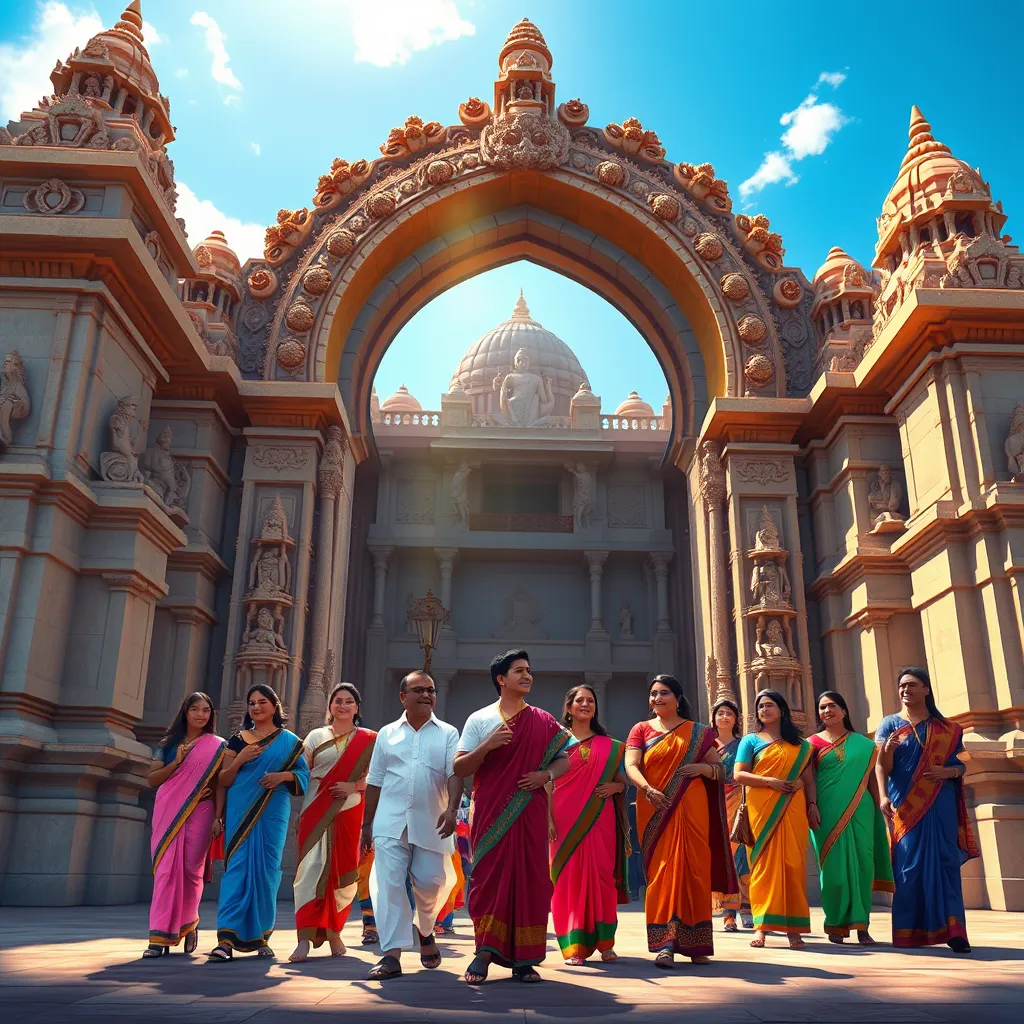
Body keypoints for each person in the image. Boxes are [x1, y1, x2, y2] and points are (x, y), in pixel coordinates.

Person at [454, 649, 571, 984]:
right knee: (489, 880)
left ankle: (525, 958)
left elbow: (565, 760)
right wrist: (487, 745)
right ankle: (484, 951)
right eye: (519, 670)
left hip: (530, 811)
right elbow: (460, 767)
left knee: (531, 879)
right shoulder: (480, 720)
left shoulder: (544, 720)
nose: (527, 676)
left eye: (529, 670)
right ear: (501, 679)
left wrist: (544, 776)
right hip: (491, 813)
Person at [624, 675, 736, 968]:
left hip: (692, 804)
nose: (656, 699)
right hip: (654, 806)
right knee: (662, 873)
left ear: (677, 697)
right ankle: (665, 944)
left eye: (663, 693)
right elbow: (631, 765)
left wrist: (699, 767)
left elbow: (720, 771)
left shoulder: (697, 732)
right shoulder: (641, 730)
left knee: (695, 868)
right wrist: (647, 789)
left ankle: (696, 942)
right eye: (653, 694)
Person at [361, 671, 462, 980]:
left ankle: (426, 929)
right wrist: (367, 824)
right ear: (402, 697)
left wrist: (452, 809)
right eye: (418, 690)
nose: (426, 695)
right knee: (389, 884)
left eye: (430, 690)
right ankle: (391, 954)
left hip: (433, 820)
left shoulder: (447, 733)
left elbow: (454, 774)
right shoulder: (387, 734)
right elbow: (375, 780)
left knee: (432, 881)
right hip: (389, 821)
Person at [875, 667, 978, 952]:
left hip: (940, 802)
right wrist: (883, 795)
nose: (905, 690)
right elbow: (883, 766)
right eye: (901, 686)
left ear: (926, 690)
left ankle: (955, 932)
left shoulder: (947, 728)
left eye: (911, 685)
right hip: (905, 803)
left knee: (945, 862)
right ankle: (909, 931)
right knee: (908, 866)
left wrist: (949, 772)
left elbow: (960, 765)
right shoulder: (890, 725)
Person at [206, 684, 309, 962]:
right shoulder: (238, 741)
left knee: (267, 872)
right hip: (240, 813)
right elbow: (223, 780)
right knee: (237, 871)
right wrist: (239, 760)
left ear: (274, 706)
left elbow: (303, 776)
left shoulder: (290, 742)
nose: (256, 707)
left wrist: (282, 777)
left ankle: (262, 937)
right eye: (252, 703)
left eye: (262, 702)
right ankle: (226, 940)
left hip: (273, 813)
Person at [289, 683, 376, 962]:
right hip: (315, 811)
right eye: (337, 700)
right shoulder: (315, 737)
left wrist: (354, 786)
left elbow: (378, 779)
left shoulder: (368, 739)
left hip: (351, 813)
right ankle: (304, 938)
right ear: (330, 706)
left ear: (357, 707)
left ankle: (334, 932)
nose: (343, 705)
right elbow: (302, 773)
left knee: (345, 876)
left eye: (349, 701)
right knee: (308, 875)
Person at [548, 684, 630, 965]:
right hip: (561, 820)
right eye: (580, 700)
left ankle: (605, 943)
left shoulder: (612, 746)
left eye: (591, 700)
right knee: (567, 881)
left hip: (599, 817)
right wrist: (545, 818)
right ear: (569, 707)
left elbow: (622, 780)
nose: (586, 704)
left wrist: (616, 788)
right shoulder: (554, 742)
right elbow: (545, 780)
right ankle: (573, 946)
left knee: (601, 877)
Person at [733, 689, 818, 949]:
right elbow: (739, 775)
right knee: (761, 867)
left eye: (769, 705)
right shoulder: (750, 741)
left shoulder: (802, 746)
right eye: (760, 707)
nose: (764, 710)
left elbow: (808, 778)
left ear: (782, 709)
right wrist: (769, 782)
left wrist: (813, 804)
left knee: (793, 865)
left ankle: (795, 929)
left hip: (793, 807)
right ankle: (762, 926)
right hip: (762, 808)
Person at [144, 692, 225, 957]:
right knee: (166, 872)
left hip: (202, 812)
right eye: (195, 709)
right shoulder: (168, 745)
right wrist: (176, 763)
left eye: (206, 710)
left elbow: (220, 784)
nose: (201, 714)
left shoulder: (217, 746)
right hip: (169, 812)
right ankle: (158, 937)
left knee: (192, 872)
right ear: (185, 712)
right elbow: (153, 780)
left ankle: (188, 923)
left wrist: (218, 817)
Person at [810, 691, 894, 944]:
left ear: (844, 711)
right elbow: (808, 780)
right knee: (832, 871)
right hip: (825, 811)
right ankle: (835, 923)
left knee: (862, 866)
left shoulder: (866, 745)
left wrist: (882, 802)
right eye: (822, 707)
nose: (827, 711)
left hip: (862, 811)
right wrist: (810, 805)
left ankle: (862, 926)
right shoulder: (810, 744)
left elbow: (871, 780)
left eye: (832, 706)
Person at [710, 697, 753, 931]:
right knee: (723, 855)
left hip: (742, 801)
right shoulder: (707, 744)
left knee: (742, 855)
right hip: (716, 803)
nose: (724, 716)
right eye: (720, 713)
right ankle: (728, 912)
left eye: (729, 713)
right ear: (714, 718)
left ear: (736, 719)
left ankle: (747, 905)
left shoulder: (744, 744)